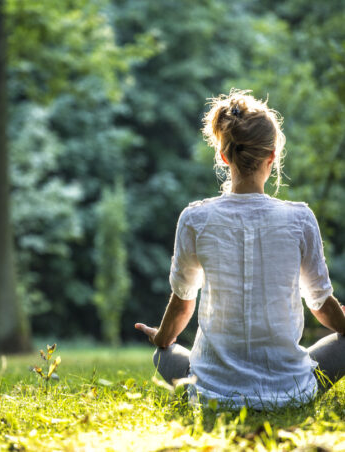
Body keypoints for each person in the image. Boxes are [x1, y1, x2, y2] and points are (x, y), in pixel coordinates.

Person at [135, 89, 345, 409]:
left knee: (162, 354)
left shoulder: (195, 218)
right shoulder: (300, 218)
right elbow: (320, 305)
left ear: (223, 155)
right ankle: (287, 390)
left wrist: (161, 338)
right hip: (291, 393)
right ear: (272, 156)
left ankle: (206, 379)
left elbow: (182, 305)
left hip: (211, 394)